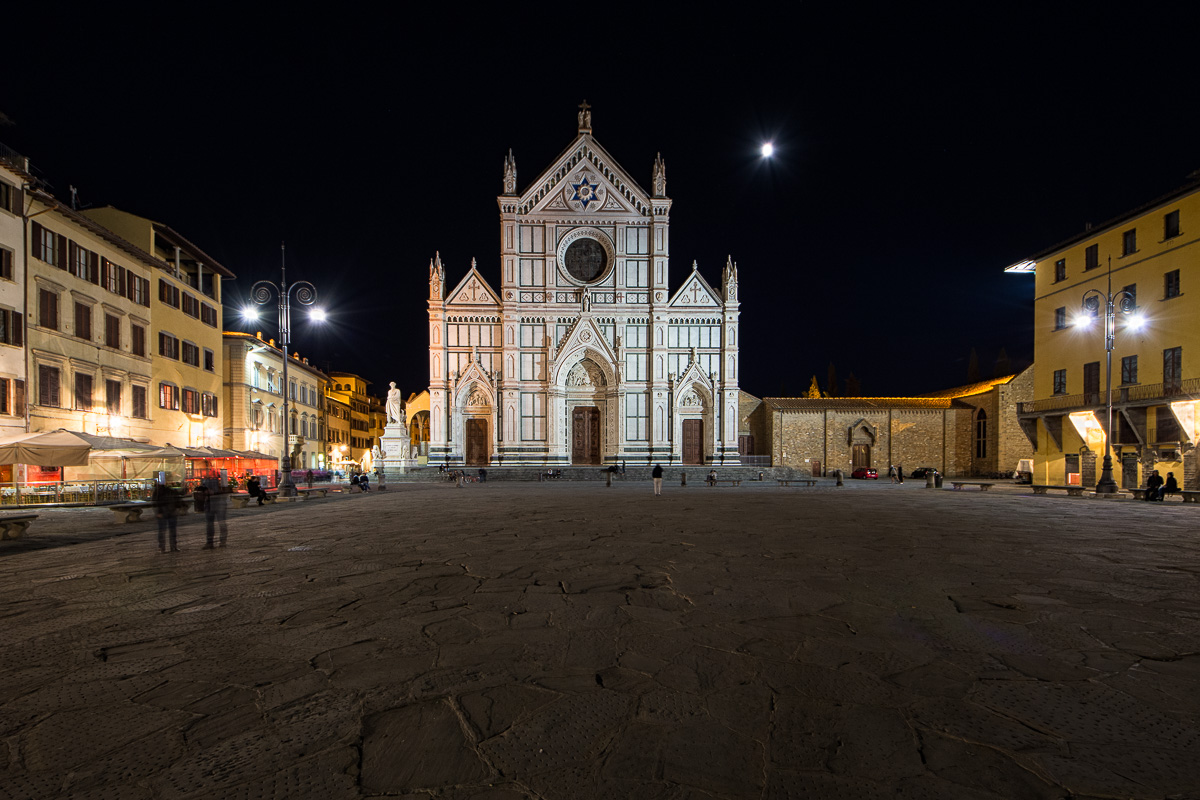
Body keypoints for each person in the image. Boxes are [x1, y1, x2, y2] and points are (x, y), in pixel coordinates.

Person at [153, 478, 180, 553]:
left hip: (167, 511)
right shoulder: (168, 490)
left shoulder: (160, 491)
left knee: (165, 530)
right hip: (167, 511)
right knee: (169, 530)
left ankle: (164, 547)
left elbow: (155, 501)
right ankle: (170, 546)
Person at [203, 475, 229, 548]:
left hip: (219, 502)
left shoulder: (221, 477)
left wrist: (216, 492)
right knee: (209, 524)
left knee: (221, 522)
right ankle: (210, 542)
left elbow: (226, 489)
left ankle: (222, 541)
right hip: (209, 503)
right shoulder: (206, 479)